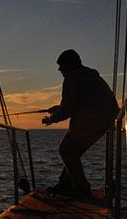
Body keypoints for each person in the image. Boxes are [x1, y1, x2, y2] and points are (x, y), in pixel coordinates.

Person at [42, 50, 119, 197]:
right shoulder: (90, 76)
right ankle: (65, 184)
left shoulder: (72, 78)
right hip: (106, 120)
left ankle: (81, 190)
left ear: (69, 64)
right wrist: (58, 109)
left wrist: (51, 119)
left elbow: (67, 110)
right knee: (72, 152)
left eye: (61, 66)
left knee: (66, 150)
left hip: (90, 121)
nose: (59, 70)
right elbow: (79, 103)